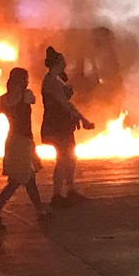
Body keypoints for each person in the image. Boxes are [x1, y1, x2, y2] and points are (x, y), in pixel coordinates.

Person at [0, 67, 48, 229]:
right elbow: (34, 100)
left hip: (12, 142)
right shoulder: (26, 95)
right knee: (18, 179)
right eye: (26, 79)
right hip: (24, 142)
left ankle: (40, 211)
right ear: (21, 81)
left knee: (28, 178)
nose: (28, 82)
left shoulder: (3, 100)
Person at [41, 46, 95, 207]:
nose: (65, 64)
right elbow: (65, 104)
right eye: (63, 61)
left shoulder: (54, 81)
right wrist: (83, 119)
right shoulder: (52, 82)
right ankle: (57, 195)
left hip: (61, 125)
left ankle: (69, 190)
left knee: (69, 157)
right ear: (57, 63)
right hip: (57, 126)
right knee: (63, 158)